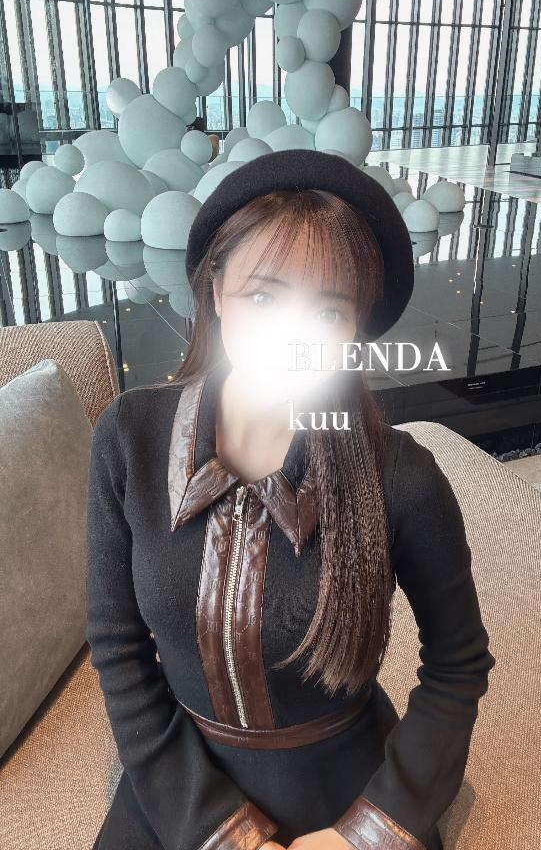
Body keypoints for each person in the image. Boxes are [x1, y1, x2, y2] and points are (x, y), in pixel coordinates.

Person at [86, 149, 496, 850]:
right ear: (216, 289)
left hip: (346, 793)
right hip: (179, 790)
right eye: (264, 297)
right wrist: (217, 829)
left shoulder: (402, 478)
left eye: (329, 310)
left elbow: (457, 667)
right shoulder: (129, 438)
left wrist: (363, 834)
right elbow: (117, 647)